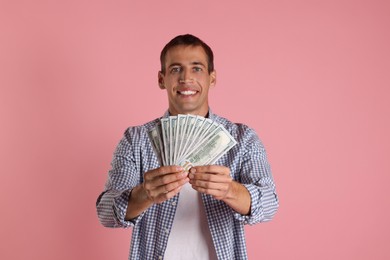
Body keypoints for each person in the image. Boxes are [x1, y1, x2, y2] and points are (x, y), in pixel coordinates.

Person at [96, 34, 279, 260]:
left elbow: (269, 203)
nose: (186, 78)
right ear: (161, 79)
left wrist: (230, 190)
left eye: (197, 69)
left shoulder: (243, 138)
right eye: (175, 69)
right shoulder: (136, 139)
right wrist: (144, 194)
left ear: (212, 78)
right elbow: (105, 212)